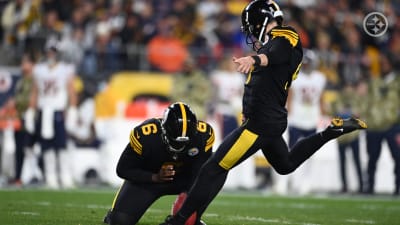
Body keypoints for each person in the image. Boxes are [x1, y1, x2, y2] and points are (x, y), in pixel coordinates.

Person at [160, 1, 367, 224]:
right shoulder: (275, 42)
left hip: (262, 122)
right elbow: (262, 79)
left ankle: (180, 221)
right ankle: (330, 131)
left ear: (261, 21)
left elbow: (275, 54)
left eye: (251, 26)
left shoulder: (286, 36)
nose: (250, 32)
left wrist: (254, 59)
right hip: (267, 119)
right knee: (285, 164)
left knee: (213, 168)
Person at [103, 102, 215, 225]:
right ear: (164, 130)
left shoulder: (203, 135)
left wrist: (188, 198)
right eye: (175, 142)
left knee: (217, 167)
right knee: (120, 221)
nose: (180, 146)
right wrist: (154, 177)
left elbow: (202, 172)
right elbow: (123, 169)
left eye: (184, 143)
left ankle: (193, 220)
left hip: (184, 180)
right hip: (149, 181)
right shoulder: (146, 136)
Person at [27, 38, 78, 189]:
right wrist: (31, 111)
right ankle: (50, 177)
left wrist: (73, 110)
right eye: (49, 51)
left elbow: (71, 91)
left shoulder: (65, 69)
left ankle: (65, 176)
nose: (51, 54)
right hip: (44, 111)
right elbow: (35, 92)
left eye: (53, 51)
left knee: (61, 146)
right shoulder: (39, 69)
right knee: (47, 147)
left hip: (58, 111)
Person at [362, 53, 400, 195]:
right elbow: (367, 101)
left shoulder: (397, 82)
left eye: (385, 63)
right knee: (372, 158)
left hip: (393, 126)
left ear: (391, 64)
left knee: (398, 158)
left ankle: (398, 187)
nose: (383, 66)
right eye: (381, 63)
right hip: (374, 126)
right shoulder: (374, 81)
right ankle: (369, 187)